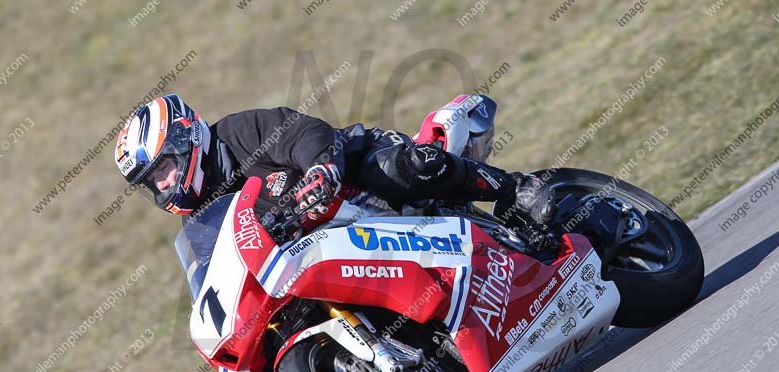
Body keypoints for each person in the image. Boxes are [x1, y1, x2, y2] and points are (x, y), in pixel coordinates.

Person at [113, 93, 555, 238]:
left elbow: (303, 132)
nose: (165, 183)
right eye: (153, 181)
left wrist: (321, 168)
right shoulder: (202, 220)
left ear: (185, 139)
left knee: (402, 170)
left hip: (357, 172)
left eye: (163, 168)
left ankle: (515, 188)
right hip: (334, 244)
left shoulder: (237, 133)